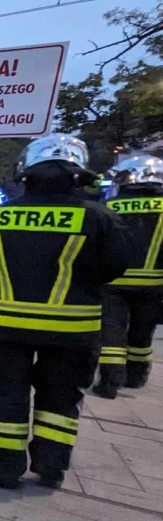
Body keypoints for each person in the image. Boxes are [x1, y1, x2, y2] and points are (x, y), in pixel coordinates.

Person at [0, 133, 132, 490]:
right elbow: (116, 268)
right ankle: (50, 466)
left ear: (27, 172)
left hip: (5, 327)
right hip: (71, 330)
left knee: (7, 396)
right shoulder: (99, 218)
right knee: (60, 399)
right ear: (78, 173)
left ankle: (6, 470)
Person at [93, 156, 163, 398]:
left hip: (113, 282)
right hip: (154, 284)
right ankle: (136, 376)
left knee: (111, 334)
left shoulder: (110, 206)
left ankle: (110, 382)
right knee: (142, 335)